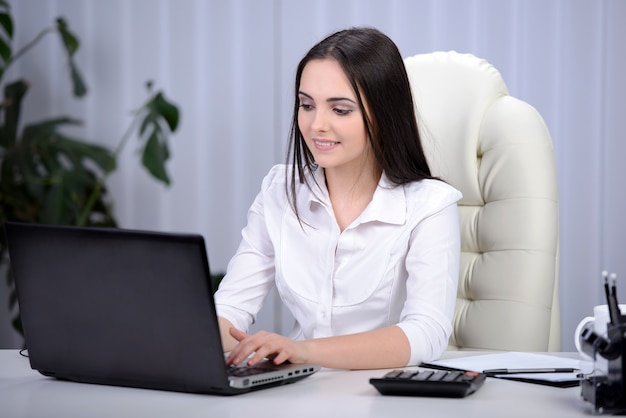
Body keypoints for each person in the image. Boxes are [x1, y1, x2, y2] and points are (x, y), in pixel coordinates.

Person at [214, 26, 462, 370]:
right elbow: (231, 308)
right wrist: (185, 333)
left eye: (340, 110)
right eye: (306, 105)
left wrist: (303, 351)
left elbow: (427, 332)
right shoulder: (279, 190)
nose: (316, 125)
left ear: (383, 114)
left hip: (384, 397)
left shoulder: (430, 206)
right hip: (296, 392)